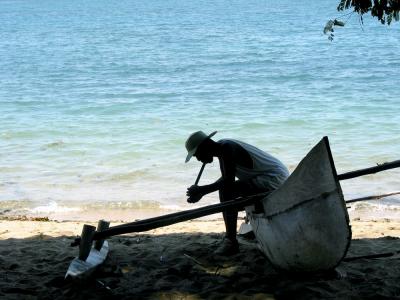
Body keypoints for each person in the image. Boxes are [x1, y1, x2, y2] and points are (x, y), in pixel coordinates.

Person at [185, 131, 289, 255]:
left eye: (197, 155)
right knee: (227, 192)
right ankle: (233, 236)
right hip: (268, 177)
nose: (198, 159)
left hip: (273, 178)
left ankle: (231, 241)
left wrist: (202, 190)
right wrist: (202, 192)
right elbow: (227, 177)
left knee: (226, 192)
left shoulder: (226, 148)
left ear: (204, 147)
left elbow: (227, 181)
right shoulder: (223, 148)